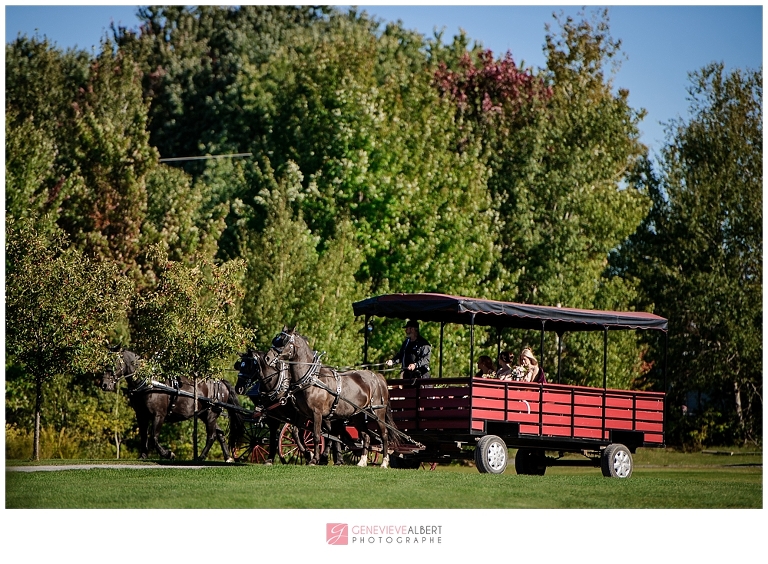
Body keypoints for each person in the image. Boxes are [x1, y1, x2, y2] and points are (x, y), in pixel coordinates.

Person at [386, 319, 431, 384]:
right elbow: (401, 355)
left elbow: (426, 359)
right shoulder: (406, 343)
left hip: (421, 377)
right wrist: (393, 361)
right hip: (407, 377)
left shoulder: (424, 344)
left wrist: (415, 365)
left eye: (407, 329)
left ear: (412, 329)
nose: (405, 331)